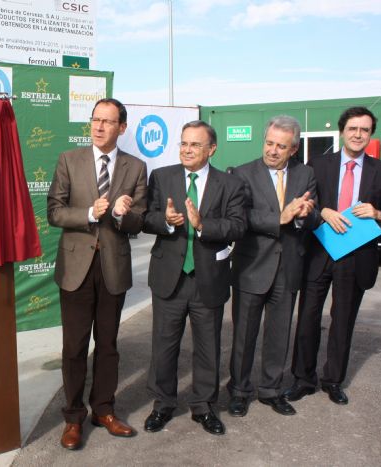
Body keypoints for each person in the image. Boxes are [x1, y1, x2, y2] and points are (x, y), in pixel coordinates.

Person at [47, 98, 147, 450]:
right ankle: (73, 417)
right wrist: (90, 212)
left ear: (122, 127)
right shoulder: (68, 160)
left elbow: (141, 219)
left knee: (108, 345)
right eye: (95, 120)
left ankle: (103, 409)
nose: (99, 126)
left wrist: (122, 214)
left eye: (108, 121)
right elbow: (54, 212)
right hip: (76, 267)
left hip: (112, 269)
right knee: (74, 347)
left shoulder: (136, 167)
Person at [285, 107, 381, 405]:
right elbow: (306, 201)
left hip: (356, 254)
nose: (358, 134)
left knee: (343, 320)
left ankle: (333, 380)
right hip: (319, 250)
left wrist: (377, 213)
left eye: (364, 130)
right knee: (308, 317)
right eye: (353, 128)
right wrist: (322, 210)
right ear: (342, 131)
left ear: (370, 134)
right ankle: (303, 378)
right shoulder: (318, 164)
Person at [142, 120, 246, 436]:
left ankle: (203, 407)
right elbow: (146, 218)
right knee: (164, 346)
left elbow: (238, 226)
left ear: (211, 149)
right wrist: (167, 221)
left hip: (208, 279)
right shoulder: (162, 177)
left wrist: (203, 225)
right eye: (184, 143)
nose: (187, 149)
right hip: (168, 278)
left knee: (207, 347)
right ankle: (163, 405)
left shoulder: (230, 185)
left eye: (195, 144)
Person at [227, 116, 317, 418]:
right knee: (244, 335)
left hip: (288, 267)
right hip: (251, 266)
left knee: (279, 334)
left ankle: (271, 390)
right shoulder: (241, 174)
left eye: (281, 146)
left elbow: (310, 218)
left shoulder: (306, 175)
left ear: (293, 149)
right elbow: (241, 218)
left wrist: (304, 214)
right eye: (269, 143)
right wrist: (280, 217)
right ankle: (239, 391)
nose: (273, 150)